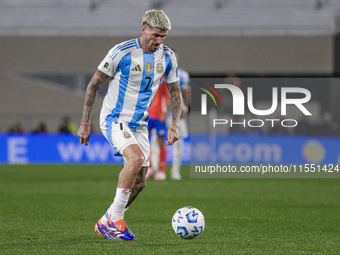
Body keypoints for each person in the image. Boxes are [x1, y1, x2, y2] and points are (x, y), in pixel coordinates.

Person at [77, 10, 182, 241]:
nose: (159, 41)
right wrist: (85, 122)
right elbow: (93, 85)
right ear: (143, 28)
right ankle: (116, 221)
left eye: (163, 37)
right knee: (134, 159)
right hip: (114, 118)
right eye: (156, 35)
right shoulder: (122, 52)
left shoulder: (167, 57)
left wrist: (174, 124)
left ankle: (107, 220)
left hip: (139, 123)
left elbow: (175, 92)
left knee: (141, 182)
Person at [169, 50, 190, 180]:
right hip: (162, 113)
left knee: (178, 142)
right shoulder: (160, 73)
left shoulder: (183, 74)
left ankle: (175, 171)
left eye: (175, 57)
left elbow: (187, 92)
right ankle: (155, 169)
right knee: (155, 141)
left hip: (178, 114)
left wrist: (185, 108)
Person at [146, 78, 170, 180]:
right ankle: (150, 168)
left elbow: (168, 96)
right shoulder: (149, 76)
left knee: (161, 143)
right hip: (148, 114)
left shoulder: (164, 80)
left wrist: (165, 112)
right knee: (145, 141)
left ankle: (162, 171)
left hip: (160, 115)